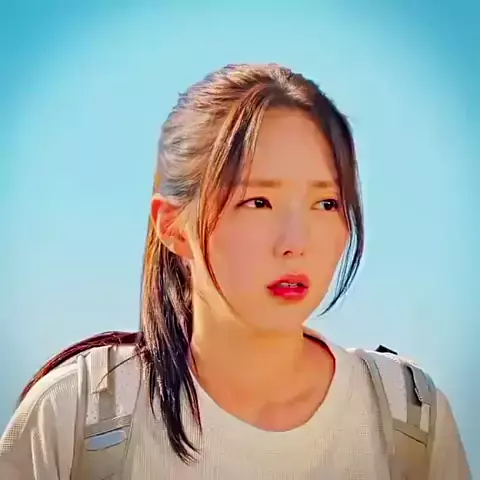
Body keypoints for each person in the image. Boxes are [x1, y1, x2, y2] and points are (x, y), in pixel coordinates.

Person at [0, 63, 471, 479]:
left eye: (326, 203)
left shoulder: (408, 418)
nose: (296, 243)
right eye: (258, 202)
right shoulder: (79, 415)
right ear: (173, 226)